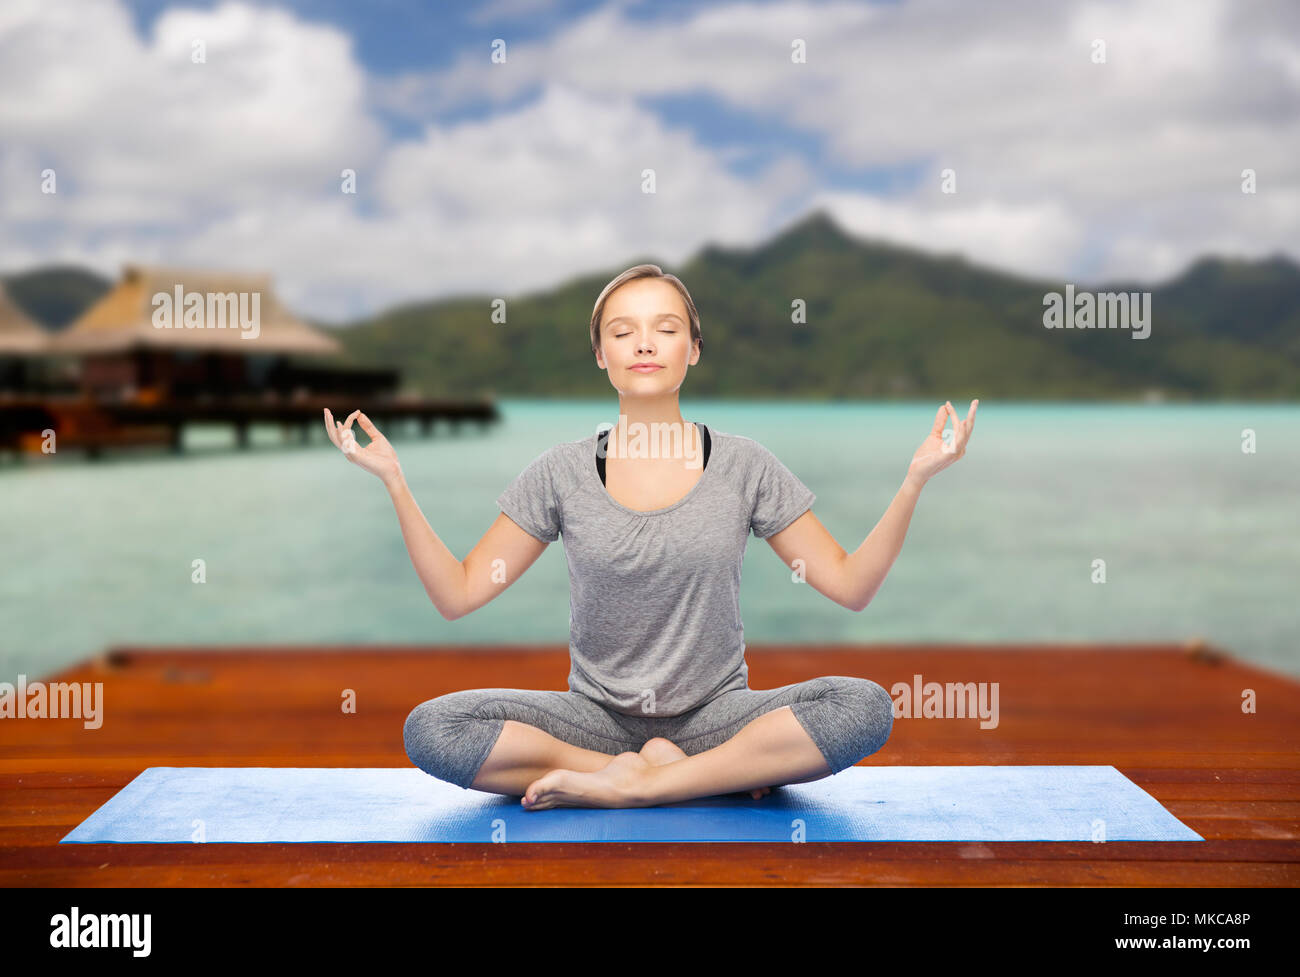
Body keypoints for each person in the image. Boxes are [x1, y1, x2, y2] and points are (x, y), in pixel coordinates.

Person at [323, 264, 977, 810]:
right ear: (600, 355)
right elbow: (459, 593)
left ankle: (646, 785)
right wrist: (395, 482)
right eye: (622, 331)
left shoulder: (745, 465)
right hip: (594, 723)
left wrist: (915, 480)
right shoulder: (560, 472)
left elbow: (851, 585)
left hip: (716, 718)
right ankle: (681, 773)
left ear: (693, 348)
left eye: (665, 329)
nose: (644, 343)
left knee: (861, 707)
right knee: (433, 729)